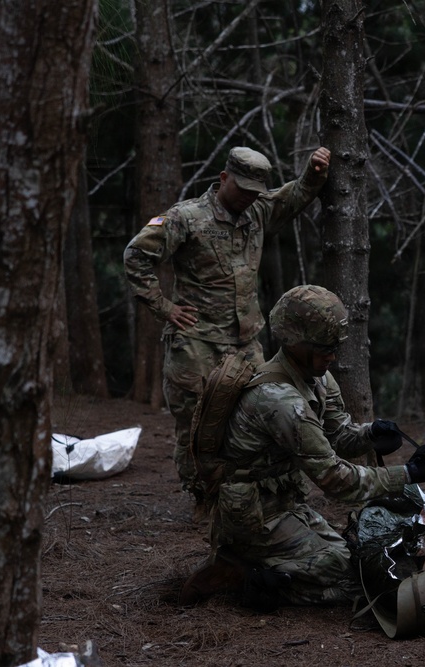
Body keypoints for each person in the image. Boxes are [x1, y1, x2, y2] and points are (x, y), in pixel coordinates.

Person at [180, 284, 425, 610]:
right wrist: (409, 474)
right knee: (352, 580)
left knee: (359, 560)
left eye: (335, 346)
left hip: (282, 503)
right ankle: (244, 575)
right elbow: (336, 480)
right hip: (250, 517)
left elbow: (338, 436)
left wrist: (369, 434)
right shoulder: (280, 402)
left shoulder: (317, 378)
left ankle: (259, 567)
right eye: (325, 348)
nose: (332, 356)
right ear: (296, 343)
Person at [123, 145, 331, 519]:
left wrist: (315, 173)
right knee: (196, 425)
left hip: (245, 343)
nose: (248, 197)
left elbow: (293, 196)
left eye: (255, 192)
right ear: (223, 179)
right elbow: (136, 255)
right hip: (196, 342)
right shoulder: (187, 217)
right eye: (242, 189)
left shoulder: (258, 210)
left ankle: (249, 496)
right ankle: (204, 499)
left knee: (256, 418)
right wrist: (164, 307)